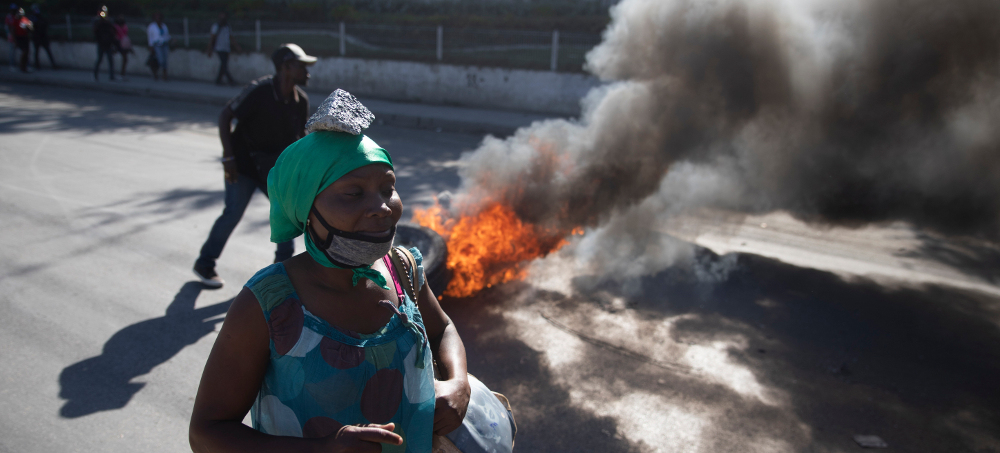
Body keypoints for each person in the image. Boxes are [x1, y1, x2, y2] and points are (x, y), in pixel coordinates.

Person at [188, 89, 471, 453]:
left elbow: (443, 328)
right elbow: (208, 433)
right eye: (353, 194)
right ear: (307, 209)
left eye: (388, 188)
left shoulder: (403, 268)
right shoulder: (268, 303)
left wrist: (458, 382)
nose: (382, 208)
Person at [192, 44, 317, 288]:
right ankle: (205, 263)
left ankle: (282, 272)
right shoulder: (259, 91)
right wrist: (228, 158)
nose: (307, 72)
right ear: (285, 67)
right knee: (233, 213)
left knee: (287, 216)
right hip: (244, 165)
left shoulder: (300, 101)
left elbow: (300, 138)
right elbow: (225, 116)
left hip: (274, 170)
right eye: (302, 66)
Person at [207, 12, 240, 86]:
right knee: (224, 65)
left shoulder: (227, 26)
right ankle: (231, 81)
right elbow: (212, 38)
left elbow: (231, 37)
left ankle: (218, 80)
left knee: (223, 65)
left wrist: (236, 46)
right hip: (219, 48)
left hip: (226, 48)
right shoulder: (216, 26)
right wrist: (209, 49)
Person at [91, 6, 115, 81]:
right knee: (99, 60)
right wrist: (100, 21)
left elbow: (112, 31)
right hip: (101, 43)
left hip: (108, 43)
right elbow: (95, 31)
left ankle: (111, 76)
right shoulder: (97, 21)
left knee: (110, 60)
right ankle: (95, 75)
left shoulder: (109, 20)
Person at [29, 4, 56, 70]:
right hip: (36, 37)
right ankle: (37, 65)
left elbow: (46, 25)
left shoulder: (41, 17)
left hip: (43, 37)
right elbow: (31, 27)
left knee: (47, 50)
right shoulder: (32, 18)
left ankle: (53, 65)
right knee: (37, 52)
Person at [146, 12, 170, 80]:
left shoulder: (164, 26)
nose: (158, 18)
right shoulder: (152, 26)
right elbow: (150, 37)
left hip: (164, 44)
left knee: (165, 60)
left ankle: (164, 75)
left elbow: (166, 35)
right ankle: (155, 73)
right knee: (160, 60)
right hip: (157, 45)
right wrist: (150, 46)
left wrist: (170, 39)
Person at [9, 6, 29, 72]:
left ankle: (24, 66)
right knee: (22, 52)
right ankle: (20, 66)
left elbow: (28, 28)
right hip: (18, 37)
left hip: (24, 37)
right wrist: (14, 39)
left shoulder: (24, 19)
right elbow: (13, 29)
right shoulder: (15, 20)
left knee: (26, 52)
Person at [112, 14, 132, 79]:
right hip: (117, 43)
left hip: (124, 43)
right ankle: (113, 73)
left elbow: (126, 34)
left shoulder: (125, 26)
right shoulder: (115, 26)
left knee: (125, 59)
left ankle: (122, 73)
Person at [5, 4, 16, 71]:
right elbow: (7, 27)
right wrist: (9, 35)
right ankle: (11, 64)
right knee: (12, 51)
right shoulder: (9, 17)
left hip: (17, 35)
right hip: (11, 36)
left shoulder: (16, 16)